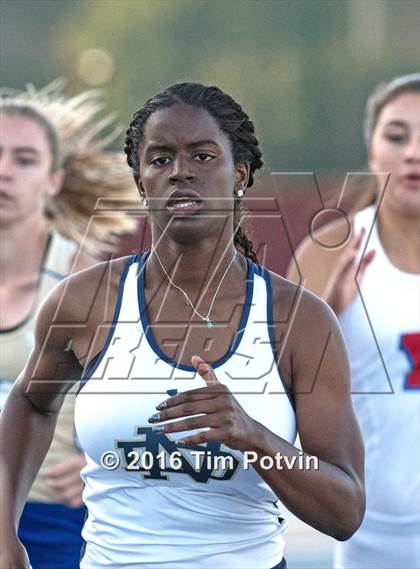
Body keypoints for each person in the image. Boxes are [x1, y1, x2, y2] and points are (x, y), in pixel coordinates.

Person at [0, 82, 365, 569]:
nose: (179, 173)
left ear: (240, 174)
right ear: (139, 181)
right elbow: (29, 403)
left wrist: (254, 436)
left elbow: (345, 509)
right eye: (160, 159)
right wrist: (5, 537)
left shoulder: (299, 320)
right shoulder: (85, 300)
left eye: (203, 156)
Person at [0, 82, 136, 569]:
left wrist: (104, 460)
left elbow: (143, 394)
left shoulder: (82, 277)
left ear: (54, 180)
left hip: (51, 515)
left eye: (24, 159)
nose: (4, 172)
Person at [287, 73, 420, 568]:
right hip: (368, 538)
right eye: (397, 136)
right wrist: (327, 312)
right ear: (371, 149)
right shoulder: (331, 251)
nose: (413, 153)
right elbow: (268, 393)